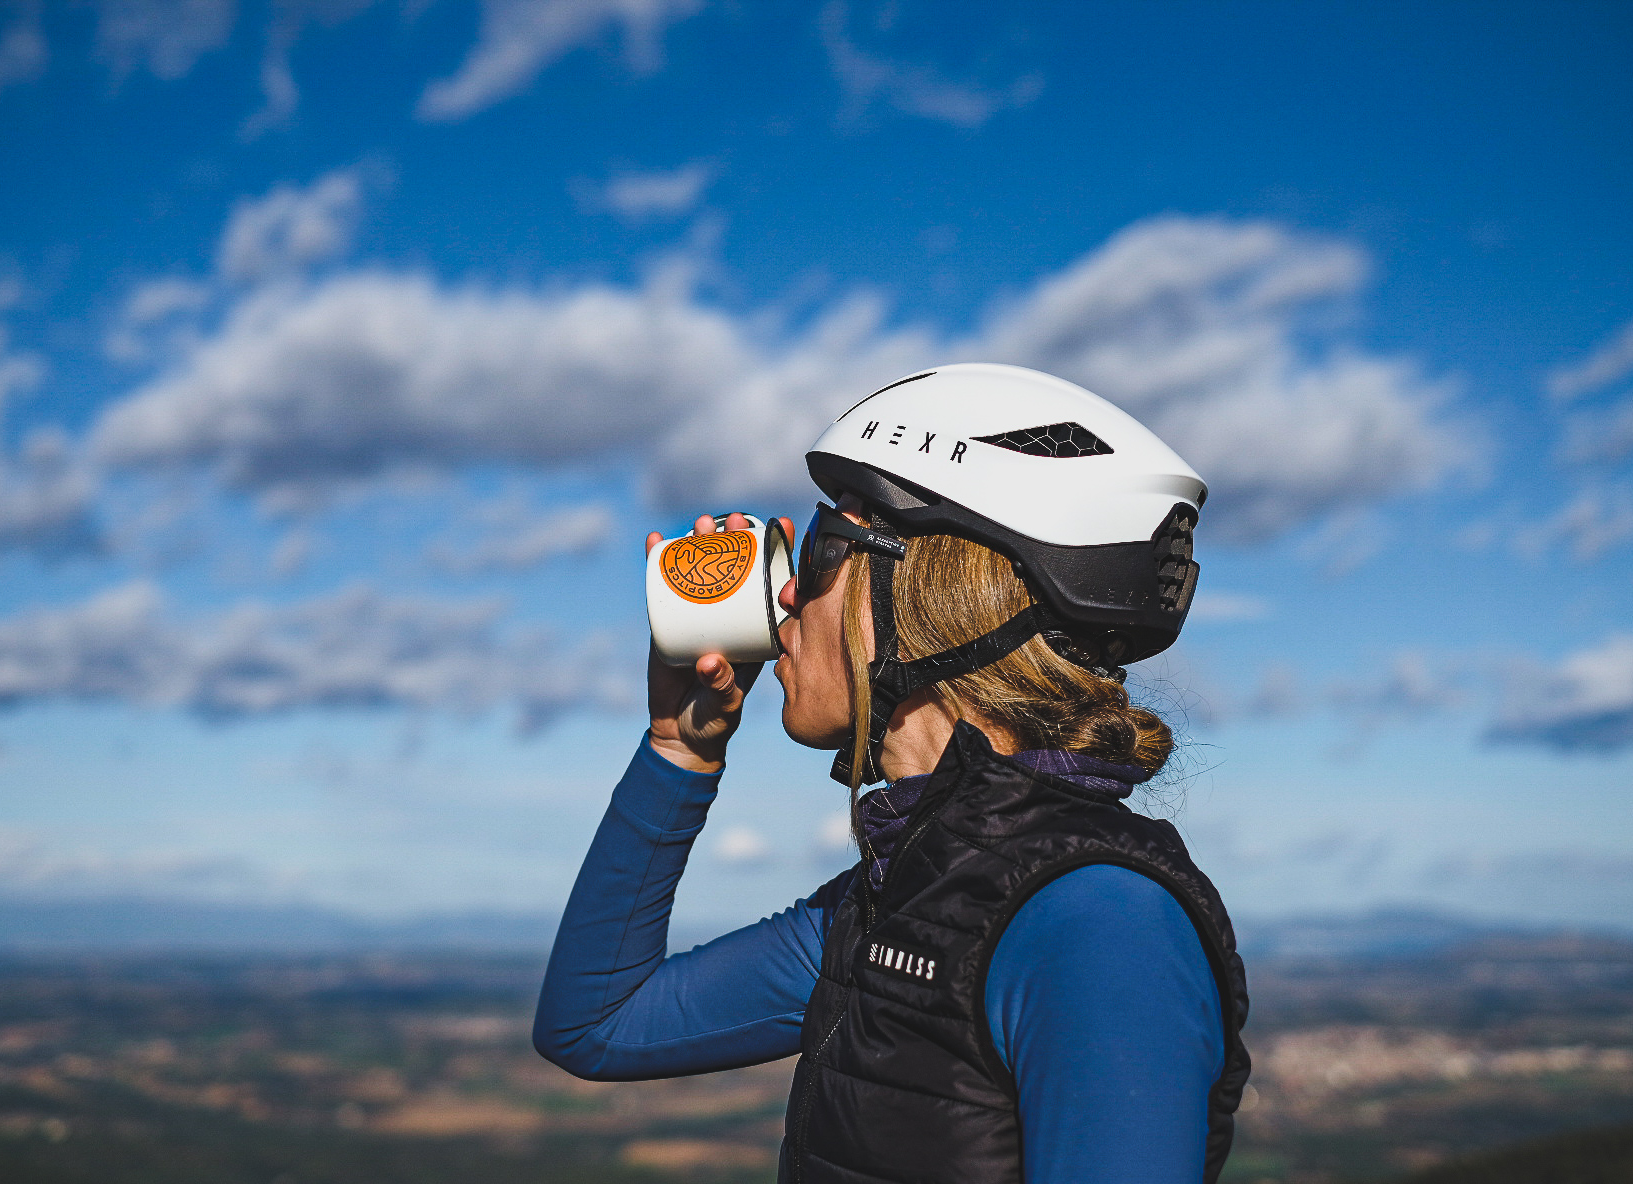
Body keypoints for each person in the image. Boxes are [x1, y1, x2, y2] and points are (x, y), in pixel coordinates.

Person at [533, 363, 1251, 1184]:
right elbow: (596, 1025)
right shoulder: (899, 899)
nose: (787, 596)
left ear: (933, 592)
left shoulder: (1101, 924)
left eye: (820, 548)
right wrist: (680, 747)